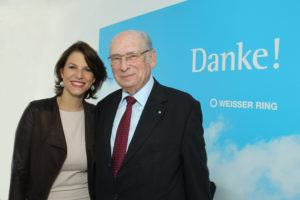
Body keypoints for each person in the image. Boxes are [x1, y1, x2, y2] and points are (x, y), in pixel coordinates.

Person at [95, 30, 214, 200]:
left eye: (132, 56)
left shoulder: (184, 108)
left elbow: (196, 179)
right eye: (116, 58)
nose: (123, 66)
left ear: (152, 58)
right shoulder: (103, 107)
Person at [9, 41, 107, 200]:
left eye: (87, 69)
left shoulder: (97, 116)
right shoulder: (37, 112)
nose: (79, 75)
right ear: (61, 72)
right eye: (72, 67)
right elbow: (20, 171)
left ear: (93, 78)